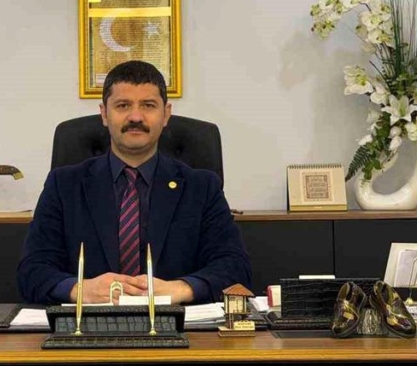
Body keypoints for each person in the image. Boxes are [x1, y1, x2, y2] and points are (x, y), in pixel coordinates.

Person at [17, 60, 251, 305]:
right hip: (86, 323)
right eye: (123, 105)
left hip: (178, 322)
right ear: (104, 114)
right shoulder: (64, 185)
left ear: (166, 114)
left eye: (148, 105)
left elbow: (235, 267)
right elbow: (32, 270)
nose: (136, 116)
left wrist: (180, 289)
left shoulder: (202, 187)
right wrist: (79, 290)